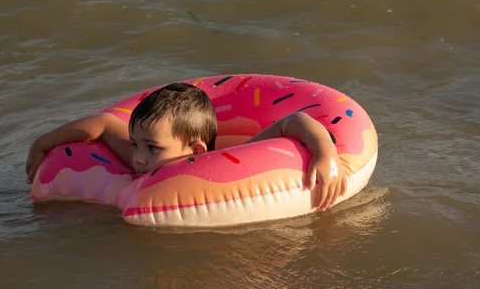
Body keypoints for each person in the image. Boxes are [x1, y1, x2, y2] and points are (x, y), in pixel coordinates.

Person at [25, 82, 347, 210]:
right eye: (136, 143)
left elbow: (293, 121)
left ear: (195, 150)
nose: (137, 157)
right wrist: (42, 144)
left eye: (151, 148)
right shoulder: (140, 158)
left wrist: (325, 155)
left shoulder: (229, 166)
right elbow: (106, 125)